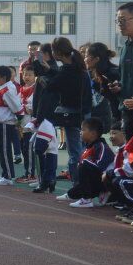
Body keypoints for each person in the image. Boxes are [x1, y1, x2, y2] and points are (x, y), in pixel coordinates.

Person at [43, 37, 91, 184]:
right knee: (85, 151)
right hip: (85, 113)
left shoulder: (66, 71)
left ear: (58, 52)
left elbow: (51, 86)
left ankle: (77, 187)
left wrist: (44, 76)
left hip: (72, 115)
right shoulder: (79, 68)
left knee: (75, 153)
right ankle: (85, 186)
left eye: (53, 51)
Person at [58, 118, 114, 208]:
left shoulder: (101, 146)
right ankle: (70, 195)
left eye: (83, 130)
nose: (80, 132)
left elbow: (100, 168)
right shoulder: (90, 147)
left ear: (93, 134)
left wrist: (84, 165)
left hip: (107, 181)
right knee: (83, 169)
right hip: (99, 180)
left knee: (84, 165)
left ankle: (88, 198)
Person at [0, 65, 23, 186]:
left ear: (3, 78)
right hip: (1, 123)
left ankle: (7, 176)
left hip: (5, 124)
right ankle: (5, 174)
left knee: (4, 150)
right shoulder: (2, 88)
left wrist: (19, 120)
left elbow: (17, 108)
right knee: (3, 149)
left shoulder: (7, 90)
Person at [113, 2, 133, 137]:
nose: (120, 24)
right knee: (130, 148)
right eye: (118, 21)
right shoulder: (125, 46)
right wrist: (118, 86)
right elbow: (124, 76)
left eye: (123, 20)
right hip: (127, 109)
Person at [30, 116, 60, 194]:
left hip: (45, 120)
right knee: (51, 148)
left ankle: (46, 182)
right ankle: (50, 180)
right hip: (48, 120)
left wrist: (38, 118)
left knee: (42, 150)